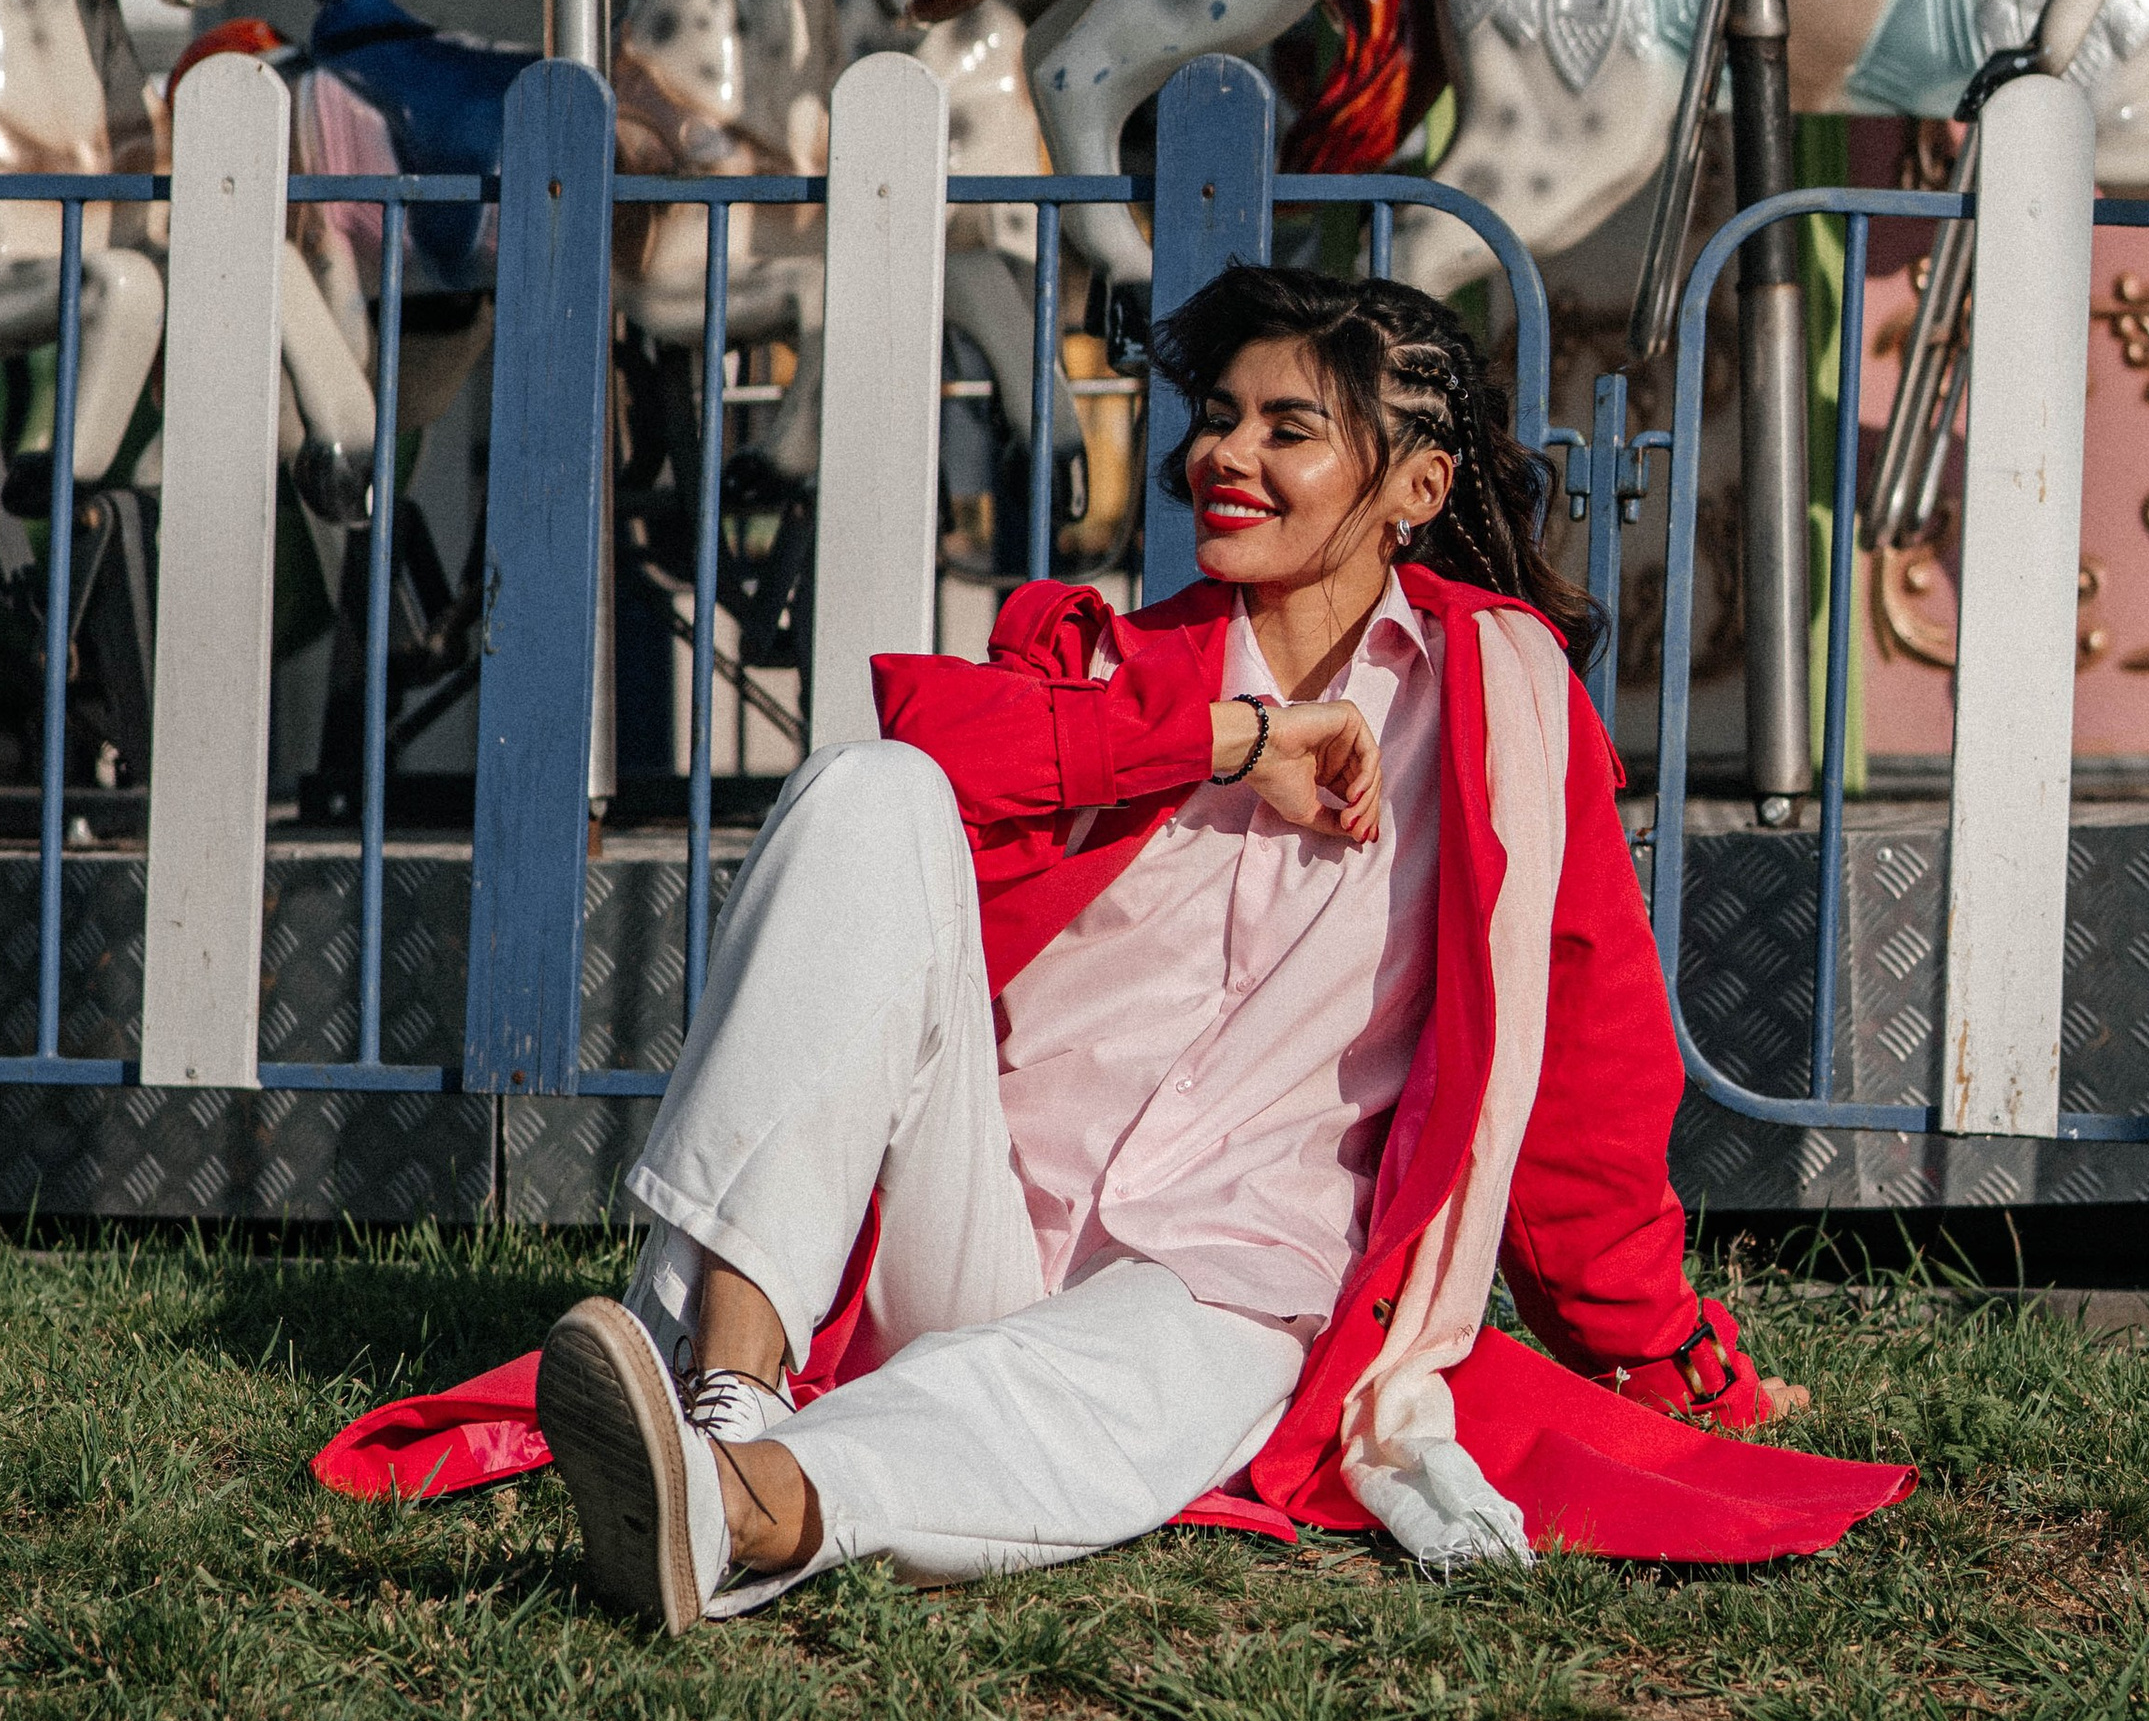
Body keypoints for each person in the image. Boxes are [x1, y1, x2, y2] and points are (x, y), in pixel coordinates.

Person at [532, 264, 1910, 1630]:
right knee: (862, 793)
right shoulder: (1116, 660)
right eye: (1219, 417)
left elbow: (1581, 1083)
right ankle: (732, 1381)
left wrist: (1673, 1362)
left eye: (1286, 430)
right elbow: (929, 741)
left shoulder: (1504, 711)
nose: (1222, 457)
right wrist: (1228, 741)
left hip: (1230, 1274)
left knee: (1159, 1367)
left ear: (1417, 490)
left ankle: (741, 1505)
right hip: (979, 1224)